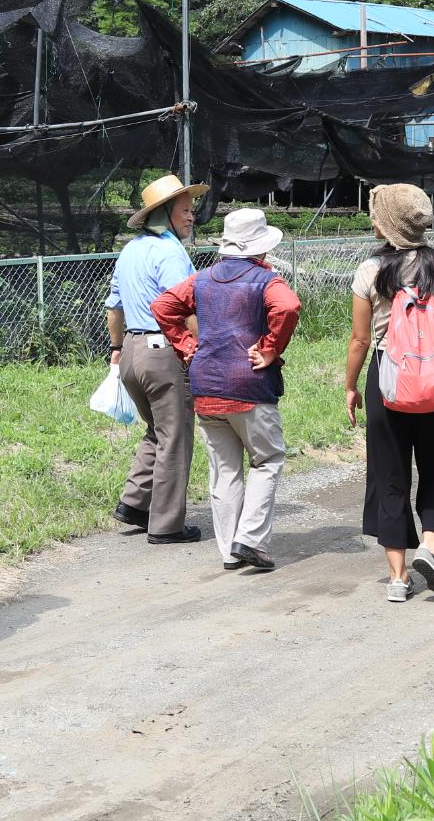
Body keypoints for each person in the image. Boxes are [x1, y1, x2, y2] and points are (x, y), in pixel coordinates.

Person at [343, 184, 434, 604]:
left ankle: (399, 578)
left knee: (389, 474)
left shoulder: (370, 271)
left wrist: (350, 386)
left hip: (387, 379)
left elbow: (359, 340)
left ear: (385, 224)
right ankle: (431, 547)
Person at [150, 207, 302, 572]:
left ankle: (229, 552)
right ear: (260, 248)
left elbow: (161, 307)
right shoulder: (268, 280)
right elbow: (289, 307)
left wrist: (188, 347)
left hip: (206, 386)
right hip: (249, 387)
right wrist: (269, 349)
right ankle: (250, 540)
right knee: (267, 460)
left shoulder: (202, 279)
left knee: (224, 471)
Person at [105, 172, 207, 545]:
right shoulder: (170, 252)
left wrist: (116, 351)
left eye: (192, 209)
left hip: (132, 352)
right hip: (163, 353)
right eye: (185, 209)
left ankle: (135, 503)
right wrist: (202, 347)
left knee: (158, 430)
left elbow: (113, 307)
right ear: (164, 212)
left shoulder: (130, 249)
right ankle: (166, 526)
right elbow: (185, 308)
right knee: (175, 437)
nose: (191, 216)